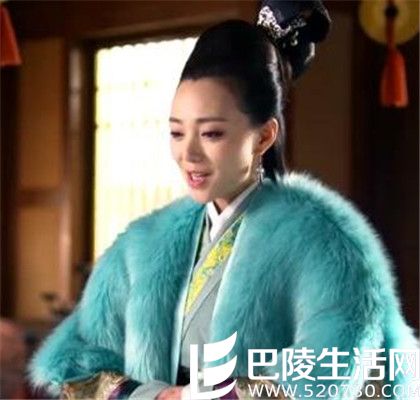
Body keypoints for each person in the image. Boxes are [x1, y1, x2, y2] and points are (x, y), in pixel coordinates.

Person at [27, 1, 418, 399]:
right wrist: (157, 396)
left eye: (211, 133)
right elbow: (73, 365)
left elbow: (342, 370)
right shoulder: (142, 245)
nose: (188, 154)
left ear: (263, 136)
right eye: (177, 133)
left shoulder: (326, 243)